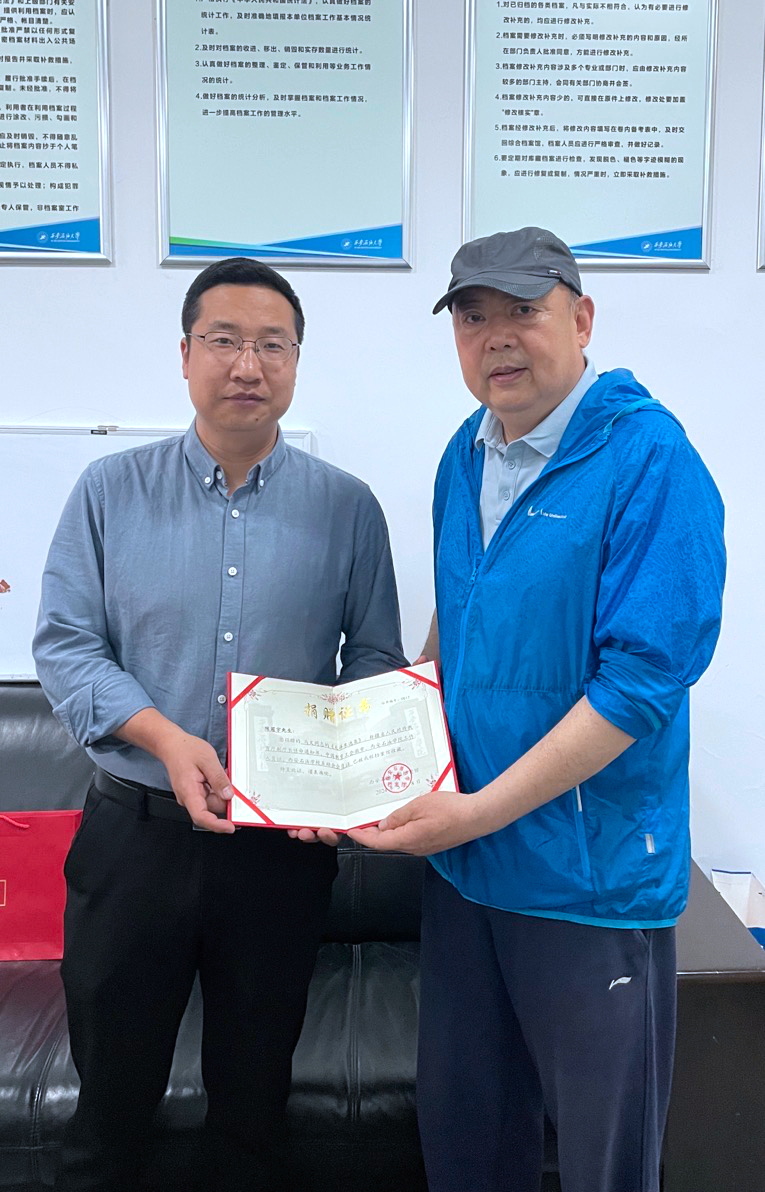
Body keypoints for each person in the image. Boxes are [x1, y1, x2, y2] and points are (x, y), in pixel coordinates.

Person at [347, 228, 726, 1192]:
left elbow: (640, 686)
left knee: (603, 1161)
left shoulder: (650, 460)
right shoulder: (465, 452)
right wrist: (376, 745)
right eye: (473, 318)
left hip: (585, 881)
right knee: (468, 1142)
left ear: (582, 318)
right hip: (467, 872)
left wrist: (474, 811)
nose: (496, 338)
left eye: (523, 311)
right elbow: (459, 615)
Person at [33, 257, 406, 1192]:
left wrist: (344, 775)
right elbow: (66, 645)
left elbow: (372, 660)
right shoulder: (108, 490)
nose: (248, 364)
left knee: (253, 1107)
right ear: (185, 355)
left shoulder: (348, 508)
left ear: (296, 362)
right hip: (136, 838)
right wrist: (164, 737)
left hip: (276, 852)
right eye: (225, 340)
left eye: (272, 344)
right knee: (109, 1108)